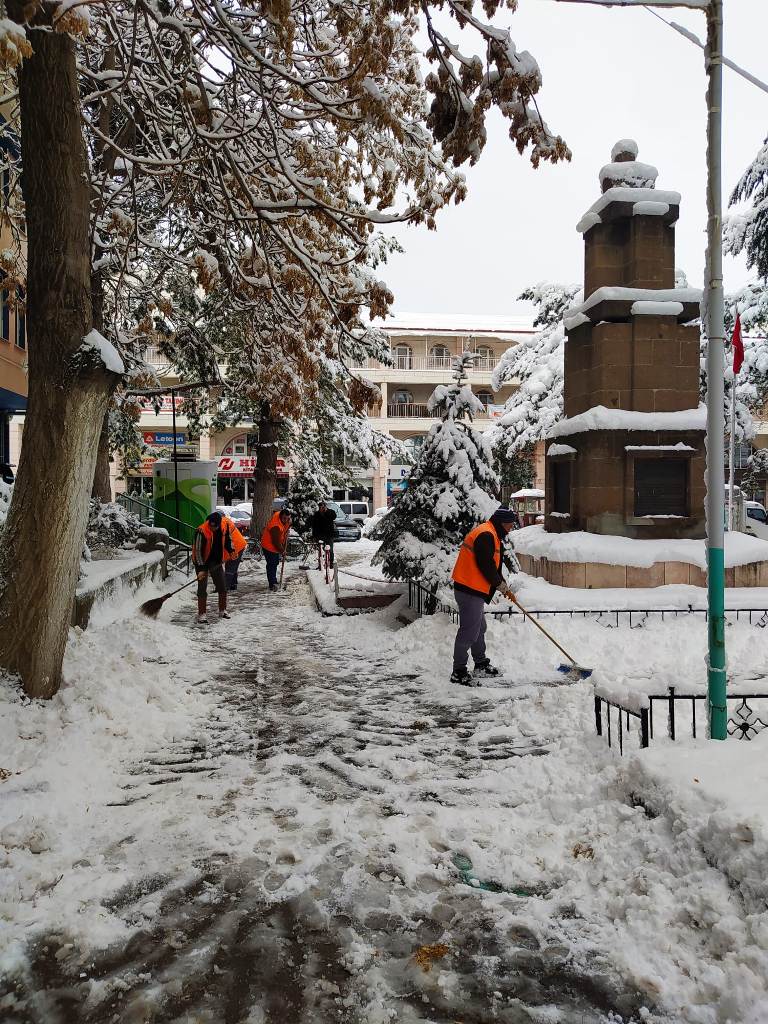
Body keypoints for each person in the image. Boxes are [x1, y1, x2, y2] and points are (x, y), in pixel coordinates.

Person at [449, 507, 519, 686]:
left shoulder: (491, 533)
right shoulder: (486, 534)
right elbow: (485, 565)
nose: (510, 529)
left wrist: (504, 587)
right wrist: (499, 585)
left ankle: (480, 664)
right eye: (510, 525)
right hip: (469, 589)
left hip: (472, 588)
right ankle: (458, 671)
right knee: (469, 632)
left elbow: (493, 566)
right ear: (502, 523)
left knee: (480, 628)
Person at [192, 511, 246, 623]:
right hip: (201, 560)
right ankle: (202, 614)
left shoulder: (224, 526)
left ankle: (222, 610)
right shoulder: (201, 531)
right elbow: (197, 552)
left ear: (219, 524)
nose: (213, 529)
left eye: (215, 527)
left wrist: (231, 551)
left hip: (215, 560)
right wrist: (201, 569)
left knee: (222, 585)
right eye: (211, 526)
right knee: (202, 587)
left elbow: (228, 540)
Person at [260, 507, 292, 591]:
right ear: (280, 517)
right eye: (284, 518)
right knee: (272, 564)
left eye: (287, 518)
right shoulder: (275, 526)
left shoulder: (282, 518)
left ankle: (274, 581)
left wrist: (288, 526)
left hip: (274, 544)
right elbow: (276, 542)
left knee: (275, 562)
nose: (286, 520)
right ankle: (272, 584)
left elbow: (284, 530)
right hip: (268, 546)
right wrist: (282, 551)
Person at [309, 500, 336, 569]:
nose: (322, 508)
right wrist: (314, 535)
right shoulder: (317, 514)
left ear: (325, 507)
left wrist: (326, 511)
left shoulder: (330, 512)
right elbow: (314, 526)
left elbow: (334, 516)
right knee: (321, 551)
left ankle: (331, 564)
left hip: (329, 535)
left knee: (330, 550)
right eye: (320, 507)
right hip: (320, 536)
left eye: (323, 507)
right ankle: (321, 564)